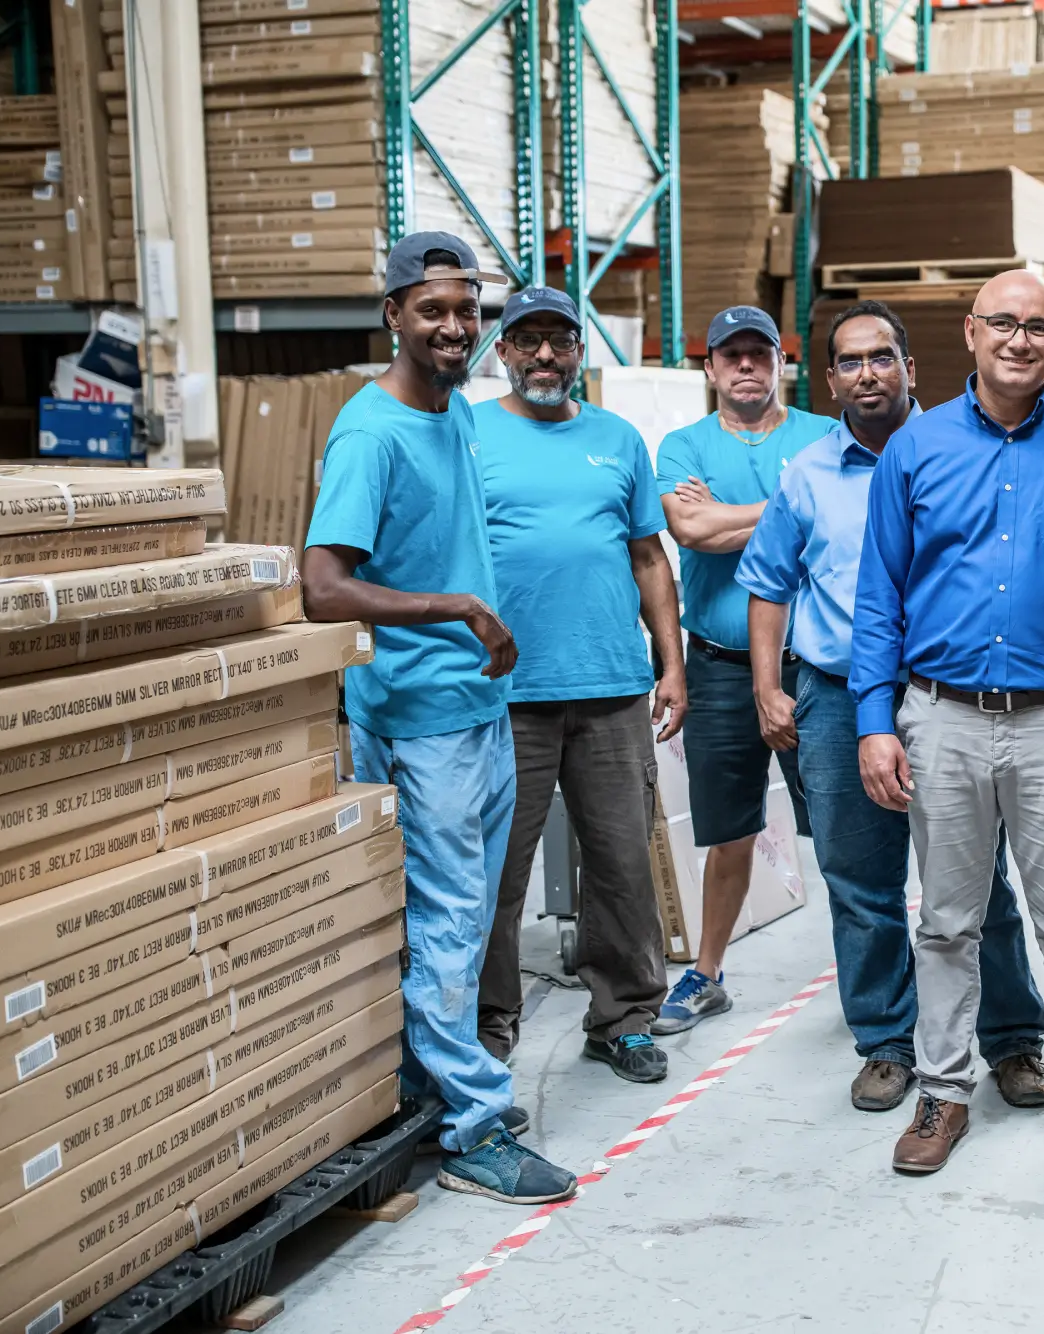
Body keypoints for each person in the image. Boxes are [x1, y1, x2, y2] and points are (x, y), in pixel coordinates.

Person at [853, 270, 1044, 1190]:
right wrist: (876, 721)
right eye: (1004, 323)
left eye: (1039, 327)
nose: (1020, 340)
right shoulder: (916, 449)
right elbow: (878, 596)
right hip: (941, 717)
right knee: (947, 923)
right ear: (971, 333)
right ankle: (944, 1093)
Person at [303, 232, 579, 1206]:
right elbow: (322, 586)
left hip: (475, 705)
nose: (455, 326)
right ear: (394, 315)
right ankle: (474, 1129)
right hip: (421, 717)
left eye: (466, 309)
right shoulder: (371, 434)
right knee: (452, 919)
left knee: (458, 913)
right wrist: (458, 608)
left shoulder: (451, 410)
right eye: (432, 310)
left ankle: (429, 1088)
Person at [736, 301, 1044, 1113]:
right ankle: (886, 1040)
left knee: (978, 879)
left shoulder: (963, 449)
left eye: (882, 357)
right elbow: (770, 584)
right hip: (839, 698)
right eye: (850, 362)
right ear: (830, 379)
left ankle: (1012, 1037)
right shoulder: (807, 474)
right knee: (859, 880)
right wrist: (768, 688)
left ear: (911, 367)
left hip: (945, 694)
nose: (867, 374)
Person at [473, 286, 687, 1086]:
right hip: (506, 694)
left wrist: (672, 663)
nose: (544, 356)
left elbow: (648, 557)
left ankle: (623, 1019)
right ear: (502, 351)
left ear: (579, 351)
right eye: (527, 341)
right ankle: (489, 1026)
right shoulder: (468, 432)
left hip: (612, 687)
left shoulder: (617, 438)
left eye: (559, 341)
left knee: (622, 864)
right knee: (498, 871)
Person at [652, 306, 830, 1034]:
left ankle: (875, 974)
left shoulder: (824, 435)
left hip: (815, 670)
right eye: (732, 355)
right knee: (728, 833)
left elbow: (842, 520)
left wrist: (732, 514)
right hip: (720, 668)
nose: (747, 366)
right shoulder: (682, 445)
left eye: (761, 353)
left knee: (845, 829)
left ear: (782, 362)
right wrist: (797, 506)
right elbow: (690, 528)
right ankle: (706, 973)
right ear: (711, 368)